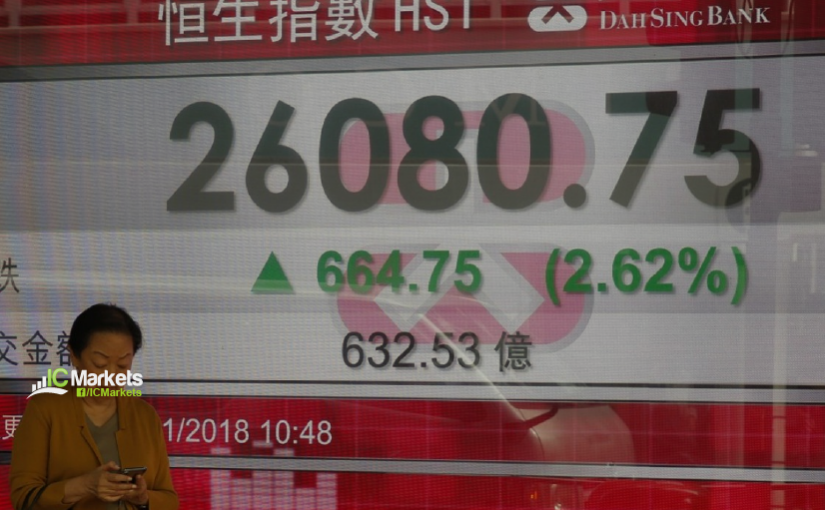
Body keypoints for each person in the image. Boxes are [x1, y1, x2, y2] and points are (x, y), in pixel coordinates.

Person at [9, 304, 178, 510]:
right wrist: (84, 486)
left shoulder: (145, 416)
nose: (111, 375)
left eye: (123, 365)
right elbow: (24, 498)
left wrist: (144, 499)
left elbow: (169, 500)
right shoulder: (44, 409)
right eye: (100, 364)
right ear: (74, 355)